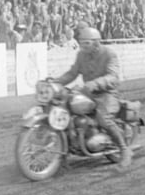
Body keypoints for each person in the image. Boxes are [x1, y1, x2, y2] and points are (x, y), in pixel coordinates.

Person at [54, 27, 132, 170]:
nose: (83, 47)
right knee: (65, 108)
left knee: (103, 118)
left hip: (107, 93)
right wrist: (56, 82)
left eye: (86, 43)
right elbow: (72, 74)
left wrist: (94, 84)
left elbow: (113, 77)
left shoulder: (109, 54)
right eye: (82, 43)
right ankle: (63, 153)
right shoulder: (81, 55)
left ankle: (124, 149)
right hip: (88, 93)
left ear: (96, 42)